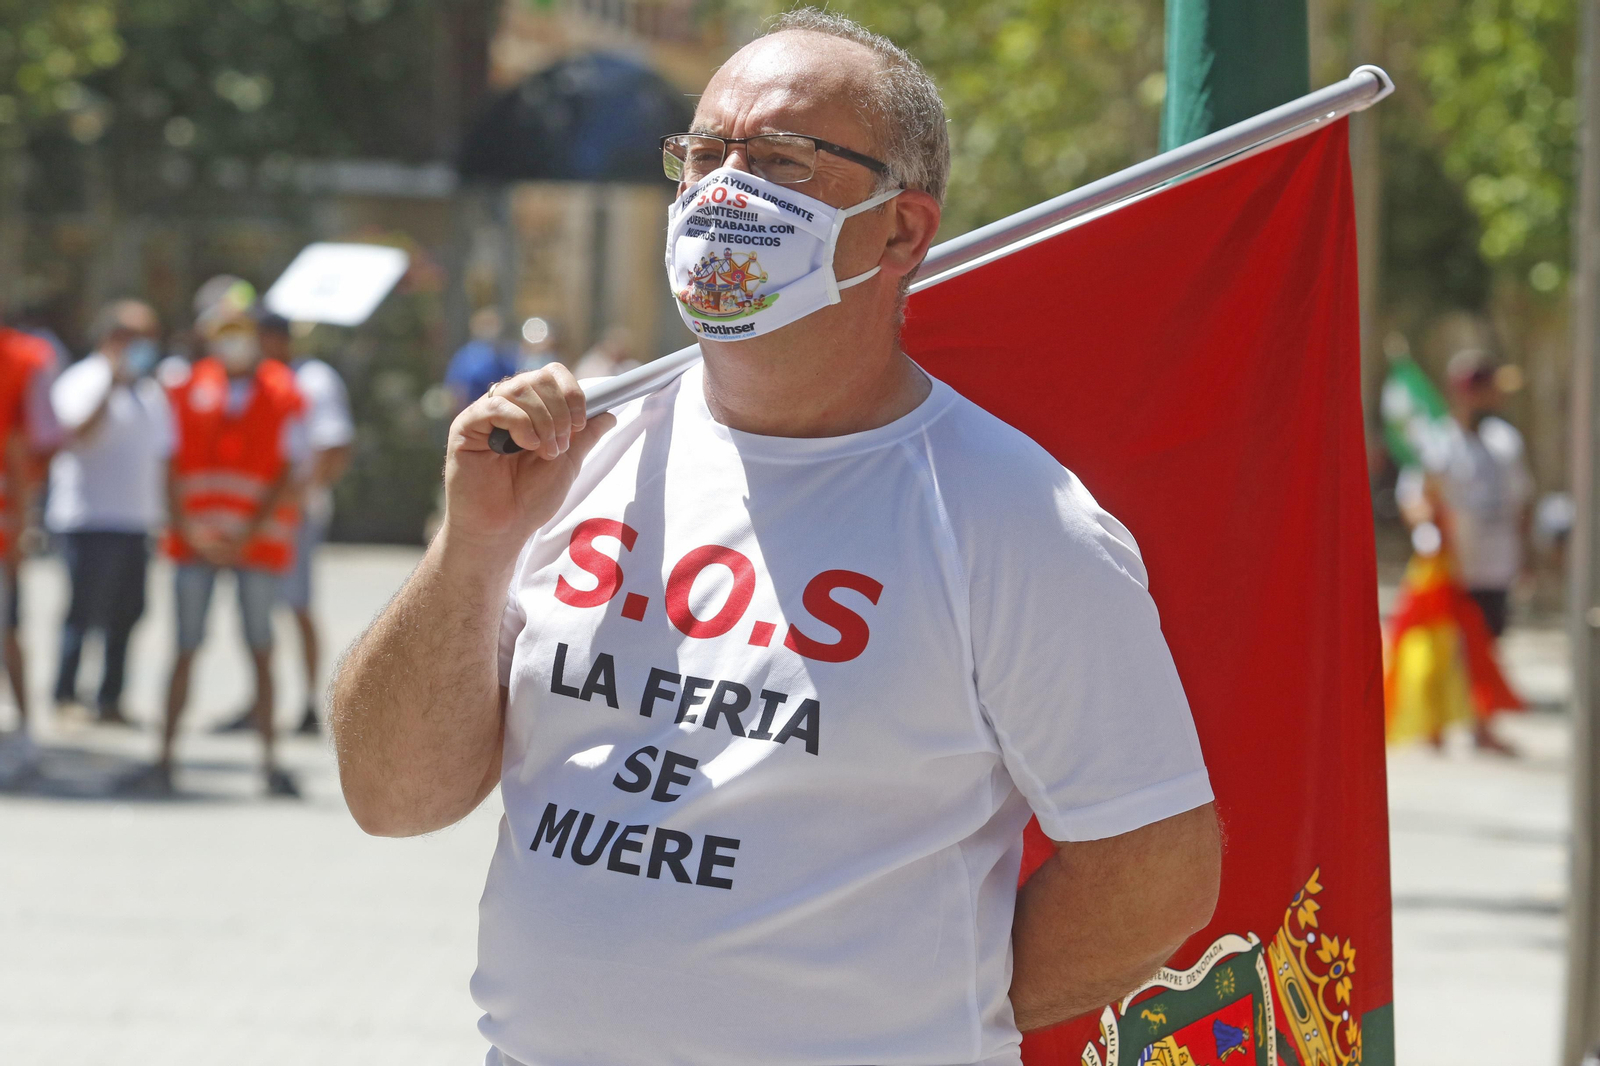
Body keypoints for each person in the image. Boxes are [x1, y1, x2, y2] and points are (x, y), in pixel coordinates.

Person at [330, 11, 1220, 1065]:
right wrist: (471, 551)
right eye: (703, 154)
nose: (722, 191)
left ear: (901, 232)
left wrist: (920, 1013)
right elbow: (393, 798)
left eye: (780, 160)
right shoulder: (576, 460)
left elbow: (1152, 868)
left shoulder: (1015, 519)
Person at [140, 304, 307, 796]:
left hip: (256, 545)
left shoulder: (284, 390)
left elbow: (290, 469)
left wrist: (246, 533)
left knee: (261, 649)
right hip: (195, 544)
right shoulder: (186, 387)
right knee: (185, 648)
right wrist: (189, 530)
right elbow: (168, 463)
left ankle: (270, 764)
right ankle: (164, 760)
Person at [216, 312, 352, 735]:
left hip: (293, 519)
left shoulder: (313, 379)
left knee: (297, 606)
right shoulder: (255, 380)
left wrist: (298, 498)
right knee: (254, 610)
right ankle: (258, 701)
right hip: (253, 516)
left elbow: (334, 446)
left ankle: (309, 704)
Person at [1395, 348, 1532, 752]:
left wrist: (1525, 557)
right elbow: (1415, 497)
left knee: (1485, 645)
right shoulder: (1438, 442)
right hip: (1450, 567)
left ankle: (1480, 726)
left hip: (1495, 564)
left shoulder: (1505, 442)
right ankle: (1435, 724)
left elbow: (1521, 502)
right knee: (1441, 646)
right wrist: (1427, 529)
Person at [47, 299, 172, 726]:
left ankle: (110, 699)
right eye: (137, 336)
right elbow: (73, 433)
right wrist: (110, 387)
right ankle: (65, 694)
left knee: (127, 613)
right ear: (112, 337)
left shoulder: (151, 391)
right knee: (83, 611)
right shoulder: (83, 379)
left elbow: (164, 457)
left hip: (136, 522)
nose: (146, 345)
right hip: (88, 519)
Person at [0, 315, 58, 781]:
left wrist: (23, 525)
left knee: (8, 631)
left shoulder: (25, 360)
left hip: (3, 530)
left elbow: (28, 446)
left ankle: (23, 732)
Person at [444, 307, 520, 414]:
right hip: (474, 413)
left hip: (504, 411)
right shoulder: (465, 356)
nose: (490, 329)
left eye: (492, 324)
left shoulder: (506, 354)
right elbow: (456, 390)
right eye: (486, 324)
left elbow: (515, 380)